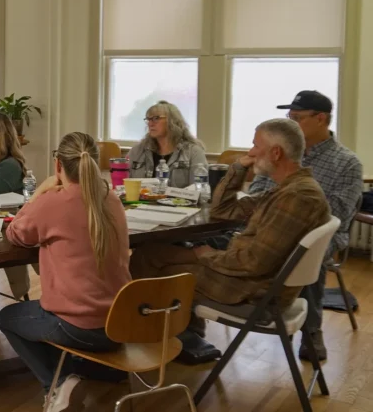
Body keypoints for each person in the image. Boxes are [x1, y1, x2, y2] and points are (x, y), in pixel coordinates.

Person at [130, 119, 330, 361]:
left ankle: (147, 342)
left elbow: (253, 262)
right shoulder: (287, 189)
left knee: (152, 265)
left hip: (252, 291)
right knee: (151, 253)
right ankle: (180, 338)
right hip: (249, 277)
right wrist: (238, 168)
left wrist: (204, 255)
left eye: (256, 146)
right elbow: (223, 211)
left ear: (276, 153)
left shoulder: (297, 197)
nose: (251, 152)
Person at [0, 132, 131, 411]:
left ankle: (57, 386)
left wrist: (39, 192)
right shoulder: (112, 199)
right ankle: (86, 369)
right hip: (120, 322)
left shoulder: (53, 202)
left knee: (8, 317)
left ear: (58, 165)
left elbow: (15, 234)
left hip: (77, 326)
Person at [247, 91, 362, 361]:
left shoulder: (346, 163)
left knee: (304, 251)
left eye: (296, 118)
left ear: (320, 119)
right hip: (270, 226)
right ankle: (202, 322)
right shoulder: (279, 152)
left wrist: (291, 217)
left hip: (322, 233)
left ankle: (311, 330)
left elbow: (339, 215)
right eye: (289, 117)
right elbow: (256, 194)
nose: (290, 123)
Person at [127, 101, 207, 188]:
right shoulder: (137, 151)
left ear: (172, 121)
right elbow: (123, 185)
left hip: (181, 201)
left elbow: (200, 188)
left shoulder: (193, 152)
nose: (150, 124)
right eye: (148, 119)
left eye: (156, 118)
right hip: (139, 201)